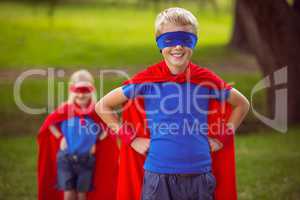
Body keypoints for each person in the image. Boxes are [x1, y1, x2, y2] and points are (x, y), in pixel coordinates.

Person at [95, 7, 249, 200]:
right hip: (158, 177)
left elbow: (242, 104)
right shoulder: (148, 80)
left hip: (199, 176)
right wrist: (131, 139)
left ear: (194, 43)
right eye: (170, 40)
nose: (178, 47)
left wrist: (221, 138)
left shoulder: (206, 80)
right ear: (160, 44)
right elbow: (102, 106)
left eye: (185, 40)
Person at [37, 70, 119, 200]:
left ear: (91, 91)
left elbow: (110, 125)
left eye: (85, 92)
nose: (81, 96)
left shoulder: (96, 111)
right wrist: (60, 137)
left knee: (82, 192)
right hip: (65, 159)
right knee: (68, 191)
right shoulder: (65, 109)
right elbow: (50, 123)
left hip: (87, 160)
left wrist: (98, 139)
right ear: (72, 91)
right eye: (78, 92)